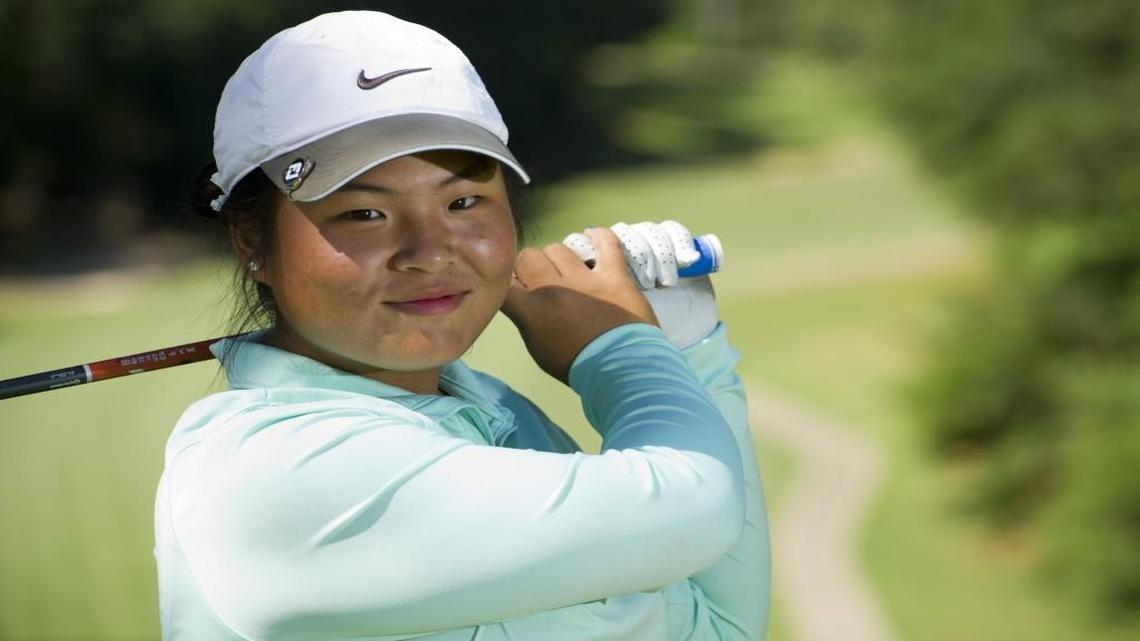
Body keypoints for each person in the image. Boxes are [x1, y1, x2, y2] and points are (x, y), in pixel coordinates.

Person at [154, 10, 769, 641]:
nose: (430, 250)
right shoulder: (265, 472)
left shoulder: (499, 414)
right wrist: (620, 347)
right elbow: (695, 506)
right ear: (251, 239)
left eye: (464, 202)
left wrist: (690, 348)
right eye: (364, 212)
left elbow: (718, 627)